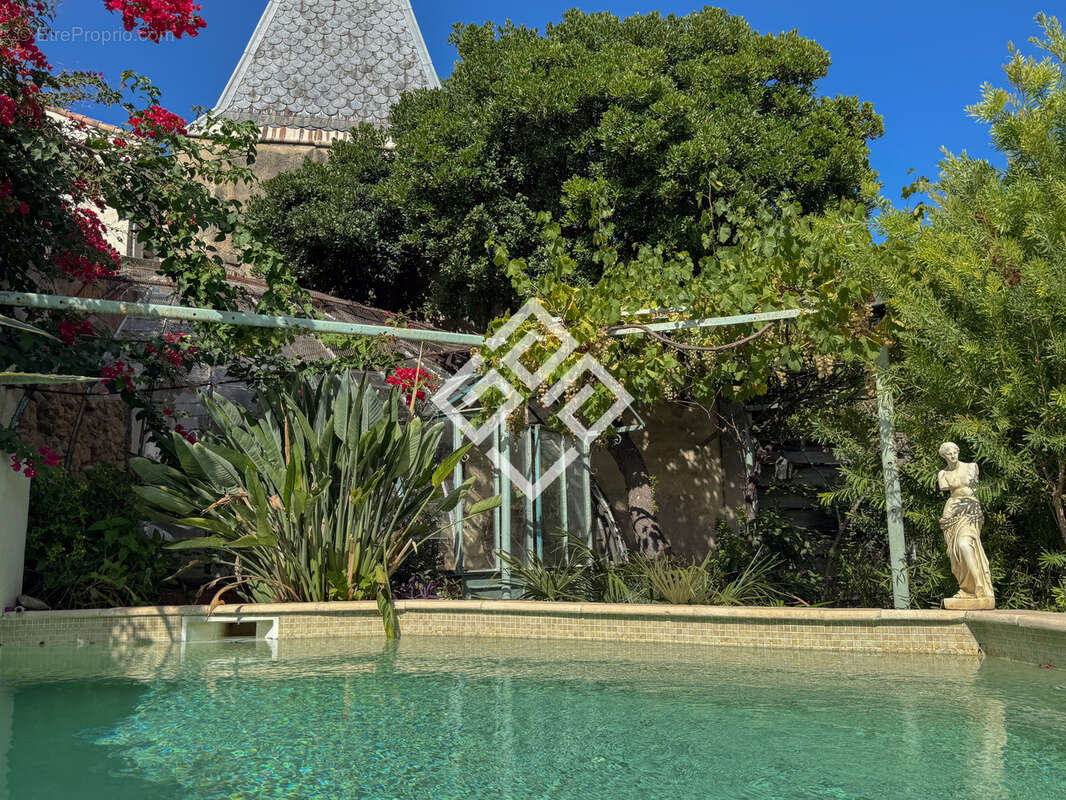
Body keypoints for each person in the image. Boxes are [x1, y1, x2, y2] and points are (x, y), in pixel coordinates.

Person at [937, 442, 995, 606]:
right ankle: (967, 589)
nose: (953, 455)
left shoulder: (971, 467)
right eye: (949, 453)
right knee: (956, 552)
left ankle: (978, 584)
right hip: (952, 511)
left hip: (970, 509)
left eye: (955, 452)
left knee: (964, 544)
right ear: (944, 456)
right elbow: (945, 488)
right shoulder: (942, 474)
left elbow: (975, 489)